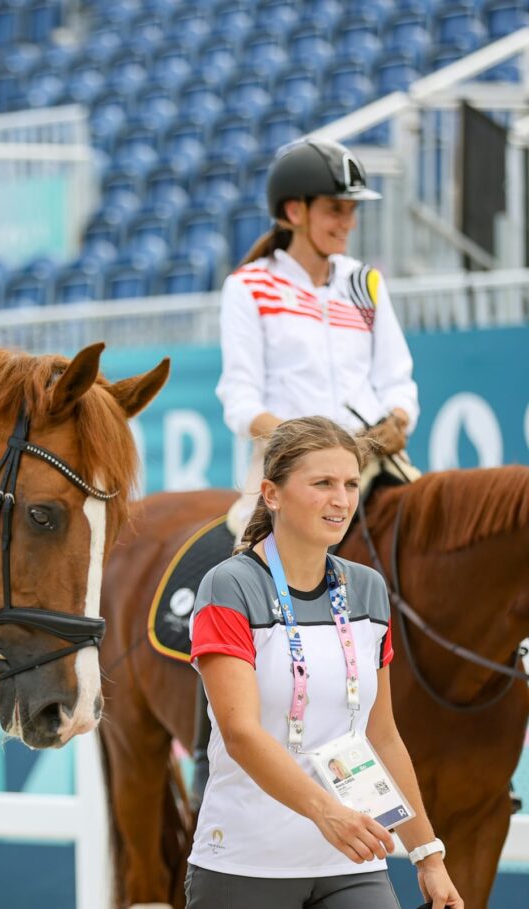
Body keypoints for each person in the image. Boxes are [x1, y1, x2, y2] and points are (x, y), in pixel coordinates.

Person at [190, 137, 421, 804]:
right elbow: (240, 396)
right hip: (287, 467)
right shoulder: (249, 287)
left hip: (371, 460)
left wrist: (393, 423)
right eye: (335, 208)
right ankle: (210, 727)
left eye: (351, 210)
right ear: (293, 209)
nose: (346, 221)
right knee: (226, 557)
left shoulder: (365, 282)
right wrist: (302, 445)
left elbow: (398, 381)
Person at [186, 417, 462, 909]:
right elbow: (241, 734)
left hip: (351, 865)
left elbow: (382, 735)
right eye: (323, 484)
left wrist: (427, 855)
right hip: (246, 865)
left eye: (351, 484)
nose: (341, 499)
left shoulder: (368, 589)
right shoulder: (229, 586)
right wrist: (326, 814)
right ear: (271, 493)